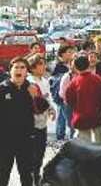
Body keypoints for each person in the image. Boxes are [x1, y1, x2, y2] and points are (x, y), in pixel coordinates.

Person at [0, 57, 49, 186]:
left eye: (22, 67)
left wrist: (35, 96)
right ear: (10, 70)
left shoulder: (31, 87)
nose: (19, 70)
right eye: (16, 67)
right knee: (3, 173)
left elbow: (42, 108)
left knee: (27, 174)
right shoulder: (3, 88)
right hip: (5, 140)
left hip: (26, 139)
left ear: (27, 71)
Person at [27, 53, 56, 186]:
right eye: (40, 64)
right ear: (32, 67)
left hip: (42, 124)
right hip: (30, 124)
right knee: (31, 154)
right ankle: (31, 178)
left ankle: (36, 175)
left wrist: (52, 109)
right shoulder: (29, 82)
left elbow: (48, 97)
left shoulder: (44, 81)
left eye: (44, 63)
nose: (44, 66)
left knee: (40, 152)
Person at [66, 54, 101, 143]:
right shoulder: (98, 79)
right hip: (97, 116)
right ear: (88, 64)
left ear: (75, 67)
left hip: (81, 118)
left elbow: (69, 101)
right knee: (99, 145)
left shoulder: (74, 82)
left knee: (85, 147)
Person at [50, 45, 75, 140]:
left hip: (64, 97)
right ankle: (61, 136)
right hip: (61, 96)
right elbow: (55, 81)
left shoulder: (70, 64)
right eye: (69, 52)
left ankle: (60, 136)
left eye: (71, 52)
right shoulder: (59, 66)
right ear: (62, 54)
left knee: (61, 116)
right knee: (64, 118)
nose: (71, 54)